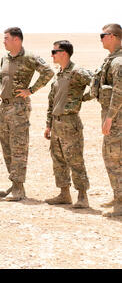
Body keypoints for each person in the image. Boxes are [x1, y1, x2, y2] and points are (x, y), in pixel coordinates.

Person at [0, 27, 54, 201]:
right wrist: (0, 90)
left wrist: (31, 90)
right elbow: (2, 78)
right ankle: (14, 183)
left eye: (6, 38)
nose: (3, 41)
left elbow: (48, 72)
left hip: (19, 108)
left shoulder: (29, 57)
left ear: (17, 40)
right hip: (4, 107)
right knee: (6, 145)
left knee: (18, 147)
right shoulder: (4, 58)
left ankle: (19, 188)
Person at [44, 40, 92, 208]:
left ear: (64, 53)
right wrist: (48, 124)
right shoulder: (60, 74)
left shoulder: (77, 72)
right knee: (58, 159)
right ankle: (64, 194)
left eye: (54, 51)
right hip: (56, 123)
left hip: (70, 123)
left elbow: (95, 84)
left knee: (75, 159)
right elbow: (52, 101)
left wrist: (82, 98)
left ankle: (82, 197)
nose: (52, 55)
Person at [91, 23, 122, 217]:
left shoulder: (118, 63)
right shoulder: (111, 60)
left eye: (103, 35)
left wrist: (110, 118)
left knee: (114, 159)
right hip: (114, 117)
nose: (101, 38)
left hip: (117, 119)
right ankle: (118, 195)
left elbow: (119, 92)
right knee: (111, 157)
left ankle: (120, 202)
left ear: (112, 36)